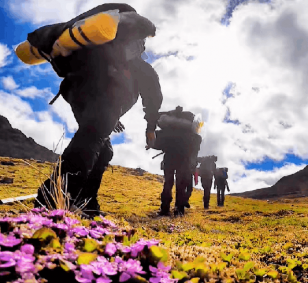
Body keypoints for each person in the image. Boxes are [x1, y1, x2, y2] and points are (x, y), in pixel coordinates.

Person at [30, 3, 163, 218]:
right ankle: (51, 198)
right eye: (141, 42)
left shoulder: (99, 51)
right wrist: (150, 127)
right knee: (93, 136)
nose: (143, 47)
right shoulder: (138, 66)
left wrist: (109, 116)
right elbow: (153, 97)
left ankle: (86, 202)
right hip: (102, 93)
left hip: (77, 93)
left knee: (102, 147)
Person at [152, 106, 202, 216]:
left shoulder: (169, 131)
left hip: (169, 158)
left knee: (168, 183)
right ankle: (179, 210)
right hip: (184, 161)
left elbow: (159, 144)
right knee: (181, 185)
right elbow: (195, 150)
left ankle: (164, 209)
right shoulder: (195, 137)